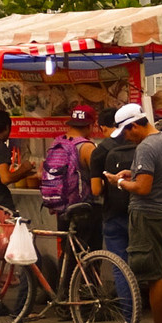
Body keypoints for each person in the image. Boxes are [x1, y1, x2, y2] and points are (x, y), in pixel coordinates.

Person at [104, 103, 162, 323]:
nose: (126, 137)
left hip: (148, 214)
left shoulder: (146, 147)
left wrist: (117, 183)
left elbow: (143, 188)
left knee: (154, 277)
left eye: (126, 132)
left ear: (134, 125)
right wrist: (131, 174)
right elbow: (155, 176)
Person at [88, 106, 137, 323]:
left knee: (120, 266)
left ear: (102, 127)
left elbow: (96, 190)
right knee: (148, 264)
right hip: (139, 210)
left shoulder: (100, 151)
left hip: (113, 213)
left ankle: (129, 318)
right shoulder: (138, 142)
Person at [49, 105, 101, 253]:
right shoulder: (87, 147)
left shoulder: (56, 143)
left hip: (62, 209)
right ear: (90, 125)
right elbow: (98, 179)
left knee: (67, 255)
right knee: (88, 257)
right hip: (84, 211)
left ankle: (65, 277)